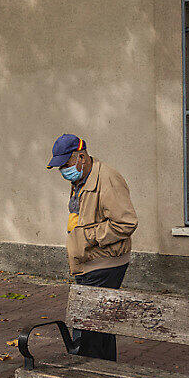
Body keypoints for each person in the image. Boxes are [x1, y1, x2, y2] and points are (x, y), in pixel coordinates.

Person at [47, 134, 137, 361]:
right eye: (60, 168)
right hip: (89, 261)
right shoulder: (81, 179)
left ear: (81, 157)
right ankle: (105, 371)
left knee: (90, 324)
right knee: (100, 323)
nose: (63, 172)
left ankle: (88, 377)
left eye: (66, 165)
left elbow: (126, 222)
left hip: (104, 262)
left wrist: (88, 238)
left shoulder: (107, 179)